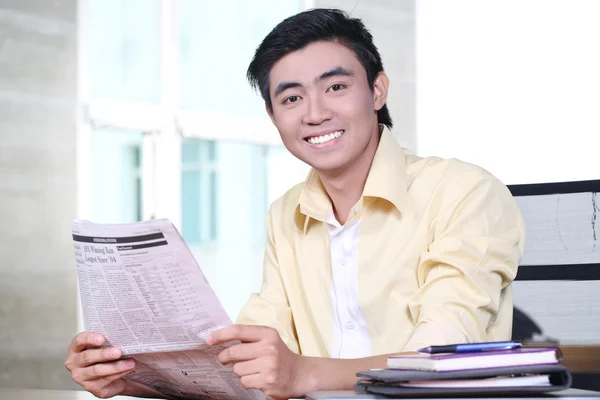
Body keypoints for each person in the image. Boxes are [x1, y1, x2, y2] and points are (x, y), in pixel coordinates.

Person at [64, 8, 526, 399]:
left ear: (378, 90)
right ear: (272, 115)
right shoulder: (286, 214)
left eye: (336, 87)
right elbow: (255, 365)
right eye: (291, 97)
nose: (314, 113)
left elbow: (442, 360)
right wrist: (133, 377)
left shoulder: (464, 191)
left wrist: (303, 373)